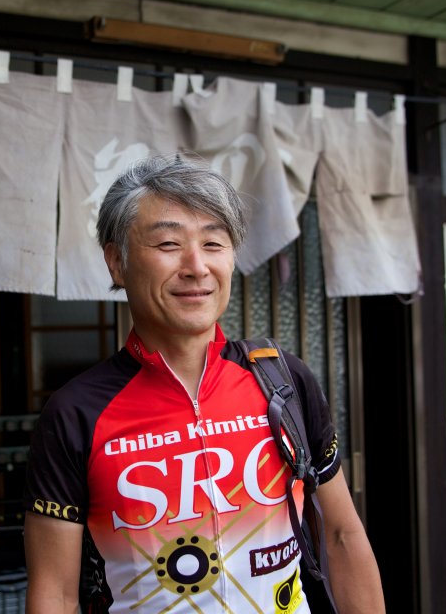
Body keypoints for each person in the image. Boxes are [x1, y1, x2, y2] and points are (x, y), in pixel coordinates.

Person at [23, 155, 385, 613]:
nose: (197, 266)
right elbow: (54, 592)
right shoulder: (76, 414)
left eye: (214, 242)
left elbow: (341, 535)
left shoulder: (283, 381)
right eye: (169, 243)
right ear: (117, 262)